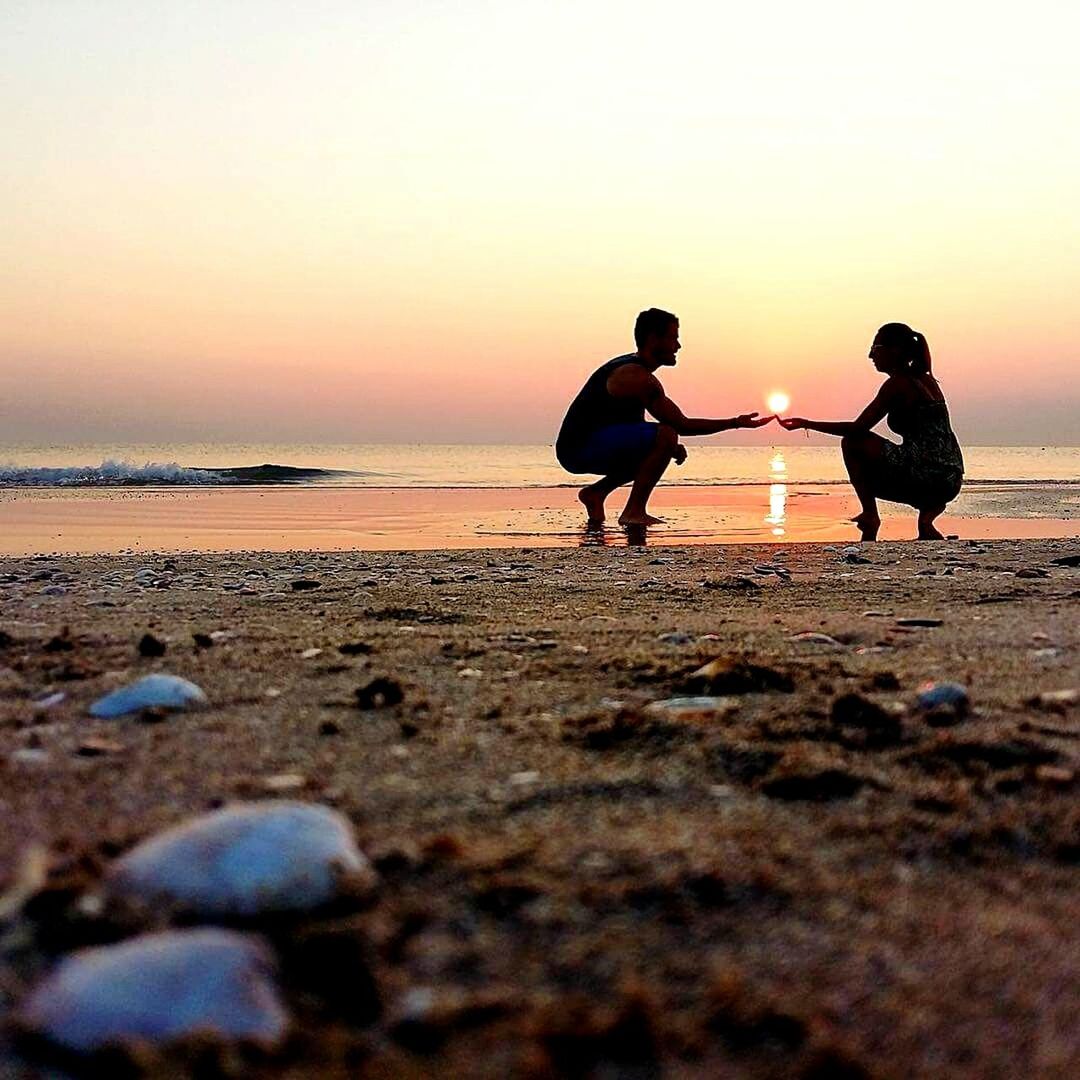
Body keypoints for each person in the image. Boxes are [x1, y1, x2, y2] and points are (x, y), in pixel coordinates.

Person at [555, 308, 775, 527]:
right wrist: (735, 422)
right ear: (653, 339)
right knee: (667, 434)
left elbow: (631, 425)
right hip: (578, 449)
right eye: (673, 338)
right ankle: (634, 512)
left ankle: (596, 493)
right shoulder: (636, 377)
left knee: (663, 441)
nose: (678, 346)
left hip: (586, 444)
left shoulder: (635, 369)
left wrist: (665, 448)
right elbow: (681, 425)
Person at [778, 323, 964, 541]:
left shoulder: (897, 384)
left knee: (852, 442)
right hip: (951, 481)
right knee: (917, 456)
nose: (870, 355)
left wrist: (807, 423)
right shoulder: (928, 381)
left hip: (927, 477)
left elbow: (858, 428)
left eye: (875, 349)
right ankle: (926, 520)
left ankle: (870, 514)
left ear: (893, 350)